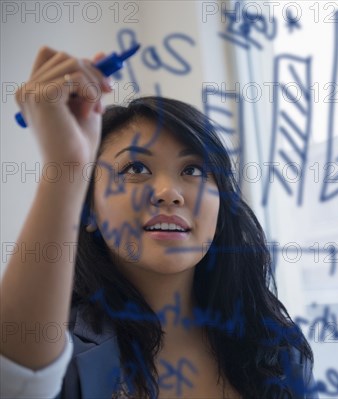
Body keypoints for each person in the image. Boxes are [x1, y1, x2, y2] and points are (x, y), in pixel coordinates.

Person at [1, 47, 317, 398]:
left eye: (193, 170)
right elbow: (16, 379)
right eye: (135, 169)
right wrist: (67, 165)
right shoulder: (53, 346)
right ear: (89, 211)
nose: (169, 193)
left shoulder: (278, 348)